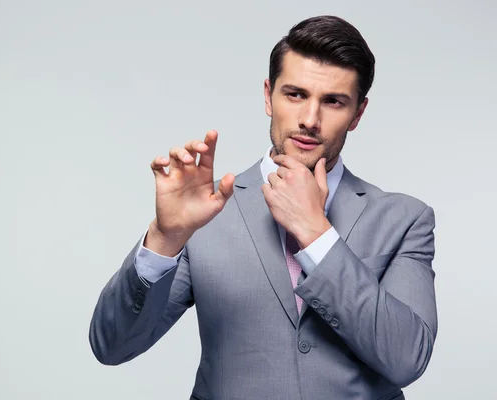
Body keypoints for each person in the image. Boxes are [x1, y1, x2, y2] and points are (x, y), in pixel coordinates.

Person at [89, 15, 438, 400]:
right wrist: (164, 237)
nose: (309, 120)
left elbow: (407, 359)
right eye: (295, 94)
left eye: (333, 102)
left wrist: (316, 234)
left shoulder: (405, 219)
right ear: (268, 95)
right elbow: (113, 346)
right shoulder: (207, 211)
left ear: (357, 114)